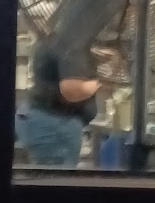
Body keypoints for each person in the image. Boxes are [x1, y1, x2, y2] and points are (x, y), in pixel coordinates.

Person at [23, 32, 102, 167]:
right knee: (56, 174)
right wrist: (93, 85)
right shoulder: (65, 49)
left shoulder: (54, 44)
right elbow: (68, 92)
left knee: (48, 172)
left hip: (44, 116)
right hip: (56, 121)